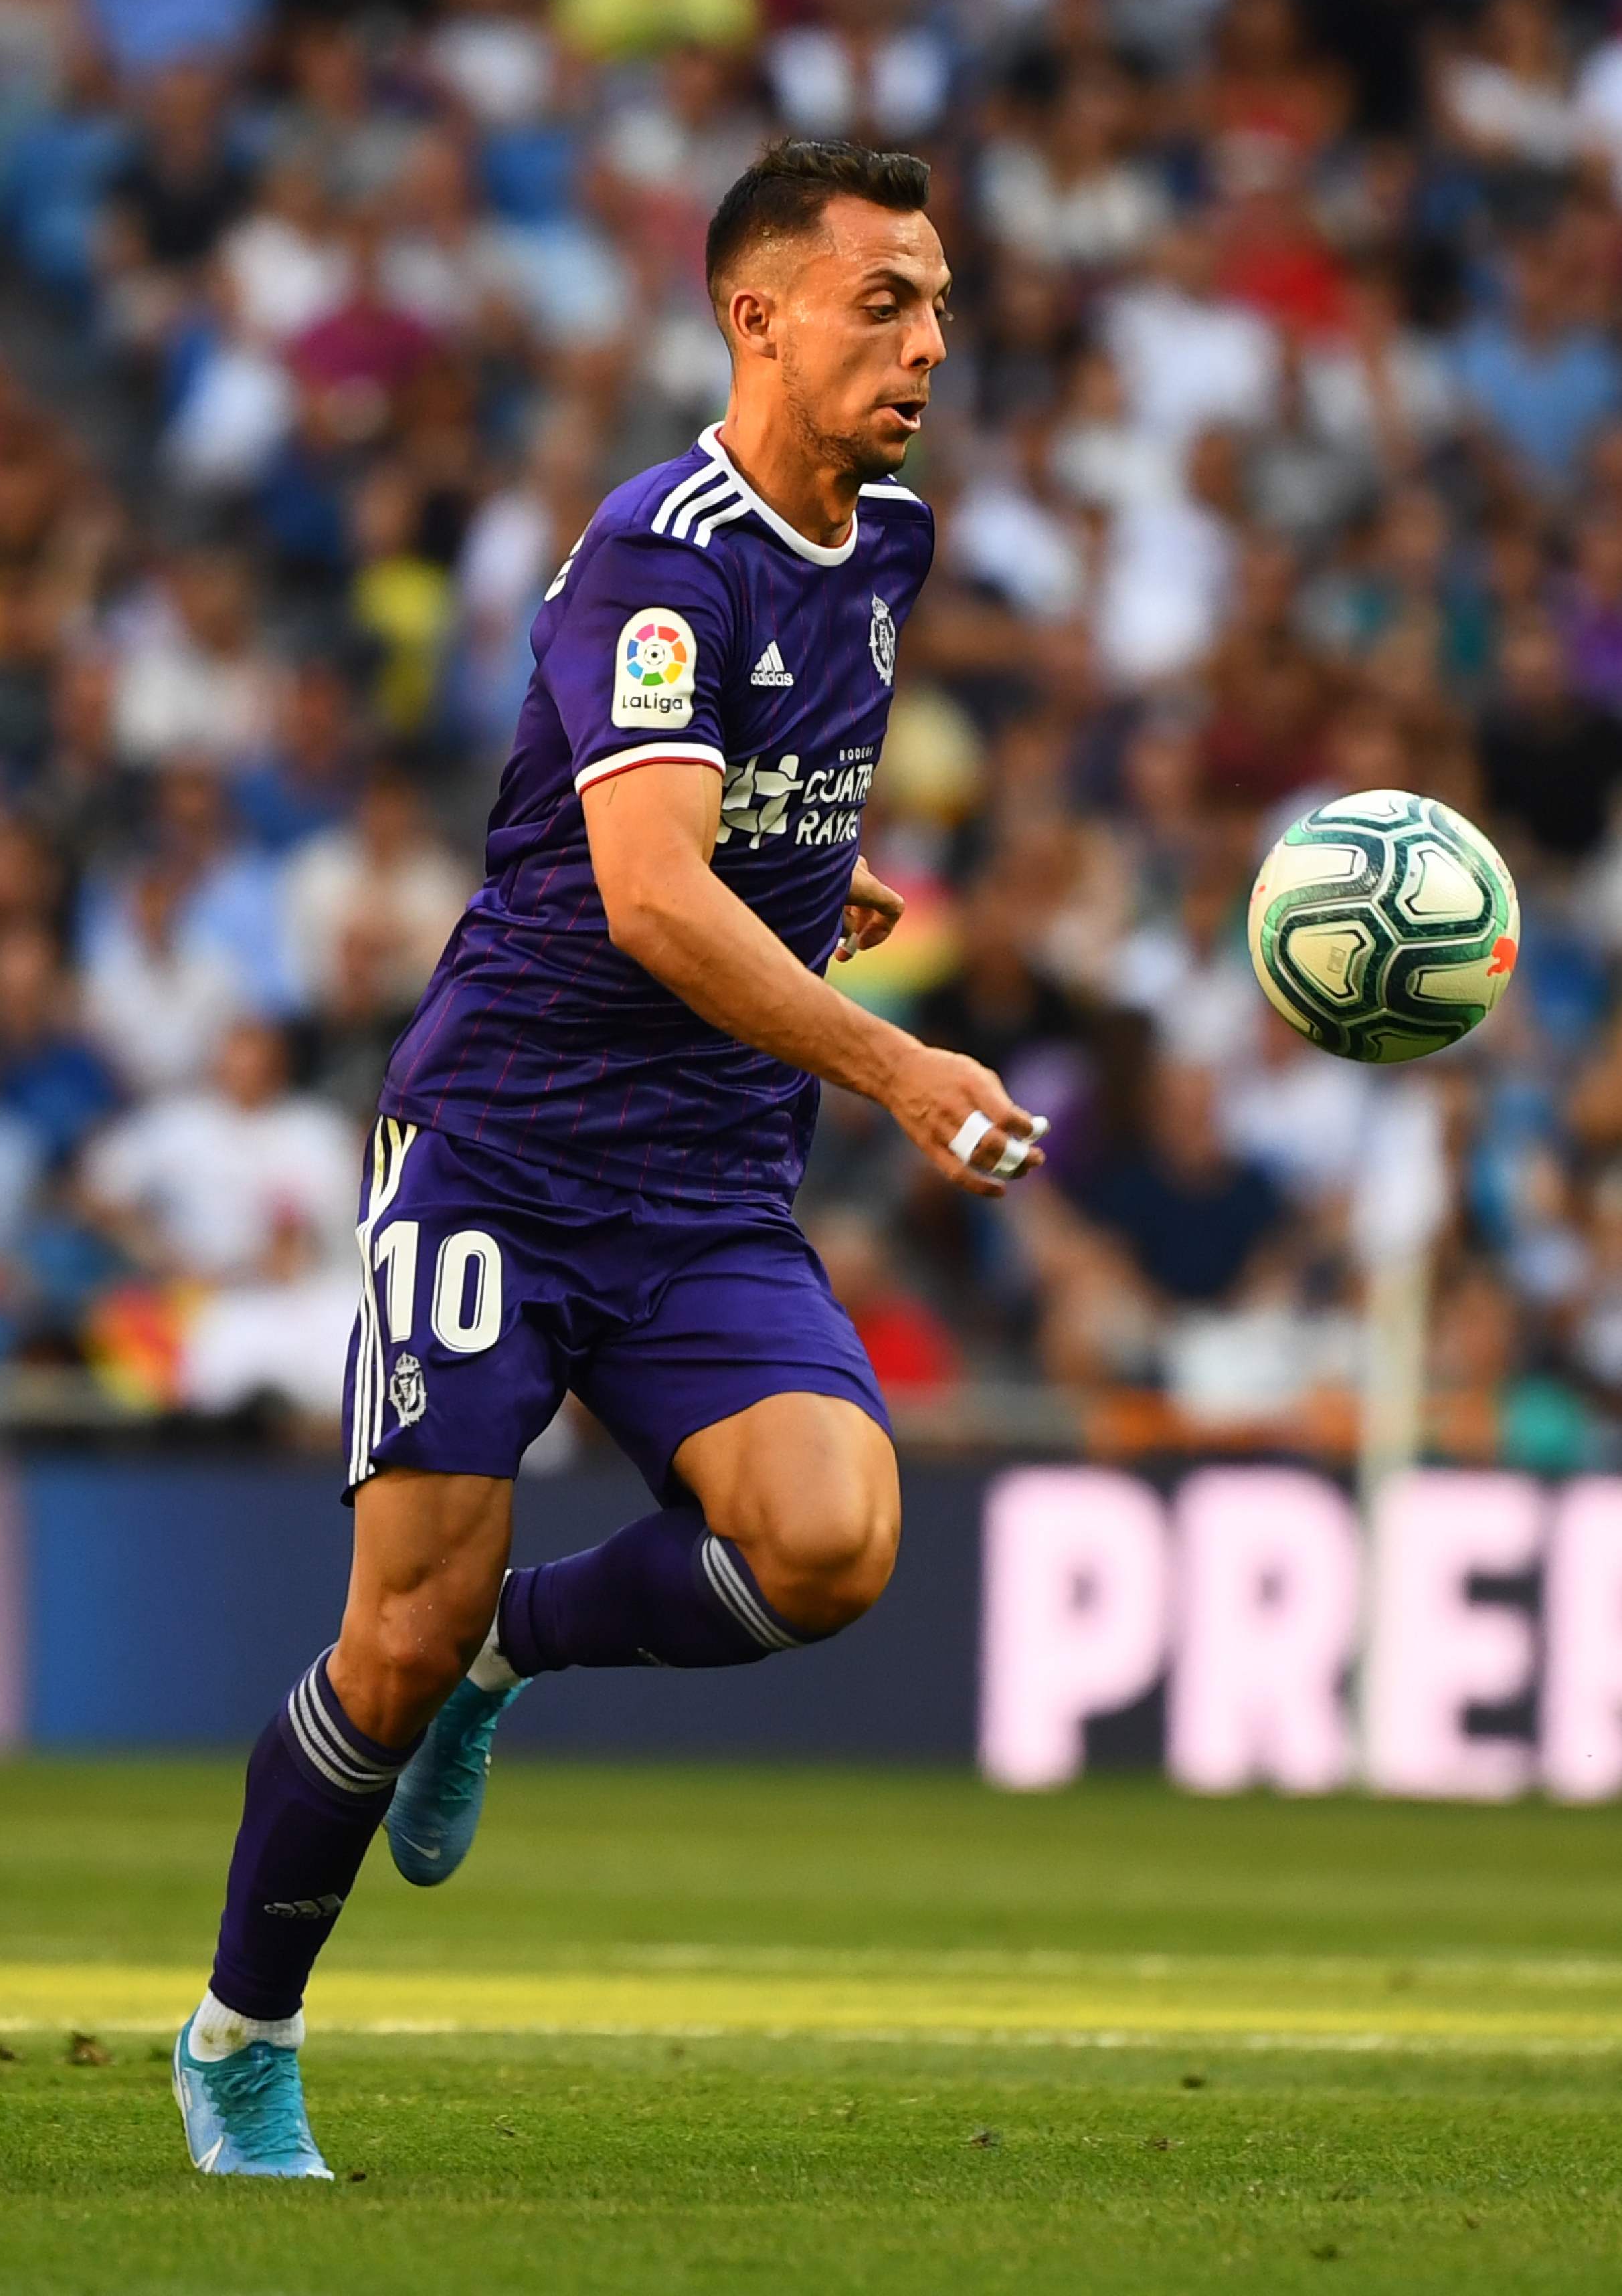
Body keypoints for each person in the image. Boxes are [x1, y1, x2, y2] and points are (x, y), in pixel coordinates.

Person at [170, 142, 1046, 2178]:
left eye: (936, 304)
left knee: (832, 1540)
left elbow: (726, 830)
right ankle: (239, 2037)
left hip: (705, 1183)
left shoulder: (887, 544)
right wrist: (902, 1073)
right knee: (385, 1637)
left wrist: (820, 885)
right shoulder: (659, 557)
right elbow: (648, 899)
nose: (927, 343)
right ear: (757, 318)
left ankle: (515, 1653)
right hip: (502, 1152)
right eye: (882, 302)